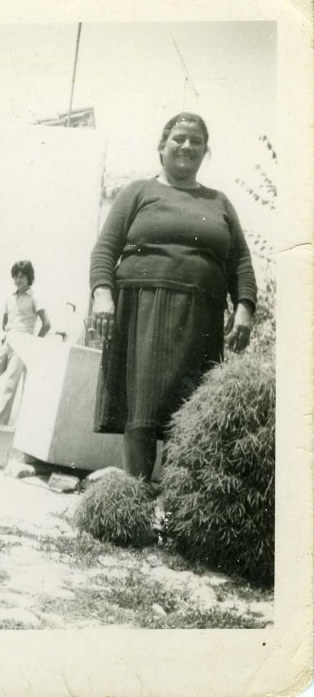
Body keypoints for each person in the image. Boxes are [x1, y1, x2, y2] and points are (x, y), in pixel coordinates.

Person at [89, 112, 257, 483]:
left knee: (190, 412)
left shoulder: (219, 202)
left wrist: (244, 307)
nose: (187, 146)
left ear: (206, 151)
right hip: (143, 311)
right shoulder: (138, 192)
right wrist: (102, 295)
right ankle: (135, 494)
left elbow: (241, 262)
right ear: (161, 146)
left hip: (201, 317)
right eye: (179, 138)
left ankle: (173, 503)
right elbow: (104, 250)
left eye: (196, 141)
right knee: (143, 410)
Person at [0, 260, 51, 426]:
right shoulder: (10, 298)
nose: (18, 280)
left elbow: (47, 324)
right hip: (8, 342)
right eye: (15, 276)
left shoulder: (34, 298)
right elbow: (4, 323)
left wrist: (34, 343)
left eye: (22, 276)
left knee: (8, 387)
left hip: (23, 345)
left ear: (29, 278)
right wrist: (9, 334)